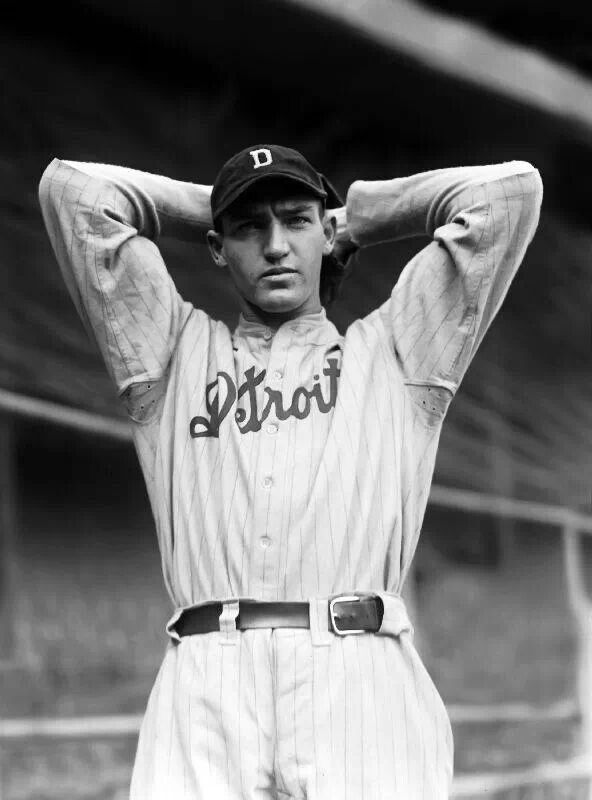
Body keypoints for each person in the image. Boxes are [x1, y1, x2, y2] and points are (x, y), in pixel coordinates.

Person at [38, 144, 542, 799]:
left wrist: (353, 216)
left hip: (358, 682)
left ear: (326, 233)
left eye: (296, 221)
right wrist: (213, 207)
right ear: (218, 248)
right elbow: (73, 192)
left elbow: (510, 193)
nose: (275, 245)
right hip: (208, 684)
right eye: (250, 228)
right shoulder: (171, 351)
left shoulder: (399, 352)